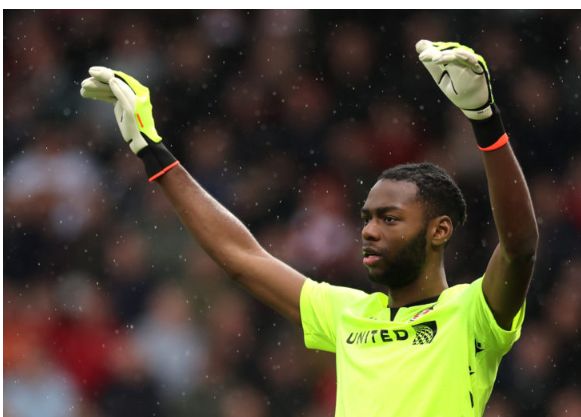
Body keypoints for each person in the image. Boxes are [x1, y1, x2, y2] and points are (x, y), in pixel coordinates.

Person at [80, 40, 538, 417]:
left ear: (439, 231)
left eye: (389, 218)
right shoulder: (350, 312)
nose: (369, 231)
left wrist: (483, 120)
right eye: (366, 218)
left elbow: (519, 247)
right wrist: (152, 150)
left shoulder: (472, 313)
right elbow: (243, 258)